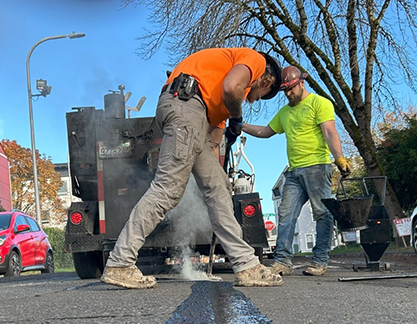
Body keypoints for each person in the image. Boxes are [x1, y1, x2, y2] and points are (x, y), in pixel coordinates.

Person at [100, 48, 284, 289]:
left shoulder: (215, 94)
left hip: (193, 112)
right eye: (263, 93)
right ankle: (120, 262)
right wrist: (237, 118)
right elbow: (232, 88)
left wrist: (228, 126)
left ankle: (246, 265)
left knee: (218, 190)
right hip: (186, 106)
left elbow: (213, 139)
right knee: (167, 190)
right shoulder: (257, 61)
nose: (257, 98)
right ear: (265, 79)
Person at [242, 65, 351, 276]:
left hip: (317, 167)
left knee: (322, 213)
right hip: (293, 172)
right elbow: (265, 131)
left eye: (291, 89)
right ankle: (282, 261)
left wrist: (339, 157)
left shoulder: (319, 103)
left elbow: (329, 131)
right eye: (285, 91)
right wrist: (243, 126)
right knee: (285, 214)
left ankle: (320, 261)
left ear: (302, 83)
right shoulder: (284, 112)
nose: (288, 94)